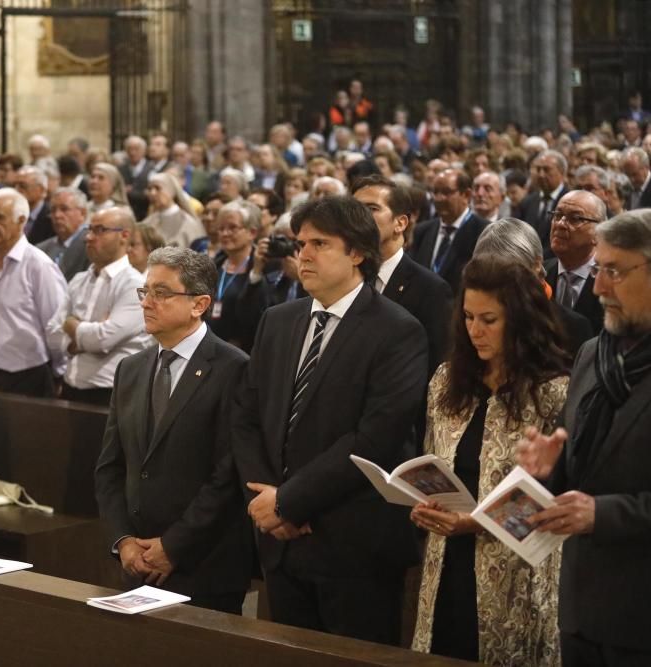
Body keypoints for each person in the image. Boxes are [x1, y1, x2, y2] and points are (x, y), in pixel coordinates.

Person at [232, 195, 427, 644]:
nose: (304, 255)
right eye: (301, 244)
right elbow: (246, 417)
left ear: (357, 252)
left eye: (320, 243)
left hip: (352, 544)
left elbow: (376, 437)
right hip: (280, 542)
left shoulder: (397, 330)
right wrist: (267, 503)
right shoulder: (278, 321)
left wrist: (290, 501)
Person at [409, 256, 569, 665]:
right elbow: (434, 461)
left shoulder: (552, 393)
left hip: (516, 574)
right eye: (467, 317)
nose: (474, 331)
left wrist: (474, 522)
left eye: (489, 320)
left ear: (520, 320)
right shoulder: (447, 381)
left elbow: (559, 495)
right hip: (444, 563)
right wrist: (423, 502)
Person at [518, 209, 651, 667]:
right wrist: (548, 471)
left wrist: (604, 513)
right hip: (582, 609)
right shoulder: (594, 354)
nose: (598, 288)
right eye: (598, 270)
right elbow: (581, 472)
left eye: (614, 271)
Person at [94, 247, 253, 613]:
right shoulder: (131, 369)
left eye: (161, 293)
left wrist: (172, 546)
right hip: (137, 563)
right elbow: (110, 467)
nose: (147, 302)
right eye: (144, 291)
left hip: (203, 565)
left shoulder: (234, 369)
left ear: (199, 305)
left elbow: (227, 475)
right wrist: (123, 541)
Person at [46, 207, 150, 405]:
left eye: (100, 230)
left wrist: (72, 325)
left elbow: (103, 339)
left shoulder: (135, 284)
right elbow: (51, 334)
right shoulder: (78, 280)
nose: (89, 238)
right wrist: (82, 340)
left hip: (111, 393)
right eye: (89, 230)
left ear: (124, 235)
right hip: (70, 387)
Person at [0, 188, 67, 397]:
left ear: (21, 220)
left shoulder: (39, 266)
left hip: (27, 376)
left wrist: (59, 373)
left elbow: (55, 325)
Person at [352, 175, 453, 375]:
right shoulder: (342, 279)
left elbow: (436, 369)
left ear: (400, 223)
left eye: (372, 209)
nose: (359, 217)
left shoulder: (432, 290)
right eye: (354, 209)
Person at [476, 218, 593, 357]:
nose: (500, 285)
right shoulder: (474, 318)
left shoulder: (573, 328)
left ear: (536, 264)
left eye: (509, 275)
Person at [411, 169, 491, 292]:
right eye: (435, 192)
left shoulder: (484, 232)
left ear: (466, 195)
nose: (439, 198)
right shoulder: (422, 230)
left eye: (446, 192)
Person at [543, 189, 607, 335]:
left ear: (599, 232)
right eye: (557, 215)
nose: (560, 224)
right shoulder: (539, 274)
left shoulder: (610, 282)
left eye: (575, 218)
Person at [208, 200, 265, 352]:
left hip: (245, 351)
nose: (225, 233)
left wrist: (256, 274)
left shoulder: (264, 267)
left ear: (252, 232)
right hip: (209, 349)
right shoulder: (213, 265)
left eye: (232, 228)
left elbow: (256, 316)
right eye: (221, 228)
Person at [520, 150, 568, 256]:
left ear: (562, 172)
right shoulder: (527, 202)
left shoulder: (571, 202)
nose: (541, 174)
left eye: (546, 170)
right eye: (538, 169)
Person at [37, 187, 90, 282]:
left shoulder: (91, 245)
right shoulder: (41, 249)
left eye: (64, 209)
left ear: (83, 213)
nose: (57, 215)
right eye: (53, 210)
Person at [141, 172, 206, 248]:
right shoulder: (147, 223)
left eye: (157, 188)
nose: (152, 193)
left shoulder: (189, 223)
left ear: (171, 190)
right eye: (149, 189)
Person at [16, 166, 55, 244]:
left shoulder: (52, 217)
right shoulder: (12, 212)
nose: (17, 190)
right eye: (15, 185)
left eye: (23, 186)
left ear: (41, 190)